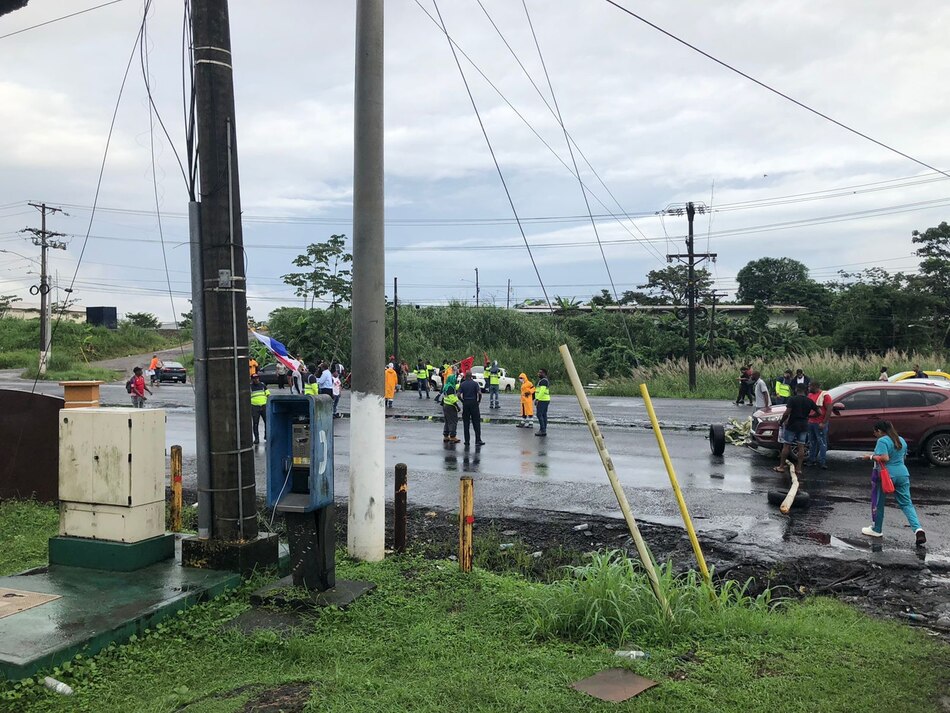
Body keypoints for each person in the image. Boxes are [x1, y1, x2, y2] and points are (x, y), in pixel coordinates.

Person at [861, 420, 926, 546]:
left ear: (879, 431)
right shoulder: (901, 440)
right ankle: (918, 529)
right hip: (903, 473)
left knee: (879, 502)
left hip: (886, 475)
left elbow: (885, 458)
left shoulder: (882, 441)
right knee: (907, 504)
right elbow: (902, 457)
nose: (875, 434)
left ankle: (877, 529)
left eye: (875, 432)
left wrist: (869, 457)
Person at [774, 384, 820, 475]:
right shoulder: (809, 401)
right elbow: (819, 412)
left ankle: (781, 466)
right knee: (801, 446)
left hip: (792, 425)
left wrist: (781, 421)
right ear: (805, 390)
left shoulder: (792, 399)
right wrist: (809, 416)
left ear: (796, 389)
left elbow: (787, 413)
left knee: (786, 445)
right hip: (803, 426)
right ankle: (799, 468)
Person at [806, 381, 832, 470]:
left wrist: (824, 422)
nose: (809, 388)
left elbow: (829, 409)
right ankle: (811, 459)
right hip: (811, 422)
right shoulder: (810, 395)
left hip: (819, 422)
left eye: (810, 387)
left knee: (822, 442)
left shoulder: (825, 396)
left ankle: (822, 461)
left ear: (814, 386)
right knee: (812, 442)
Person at [458, 370, 484, 446]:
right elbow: (479, 393)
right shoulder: (475, 384)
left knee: (466, 423)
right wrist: (478, 401)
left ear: (465, 377)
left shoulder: (462, 384)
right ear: (471, 376)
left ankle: (467, 441)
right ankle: (478, 440)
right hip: (474, 403)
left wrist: (463, 401)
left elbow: (458, 395)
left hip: (466, 403)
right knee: (476, 422)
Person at [250, 373, 270, 445]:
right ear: (252, 379)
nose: (256, 379)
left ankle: (266, 436)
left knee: (267, 422)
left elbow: (268, 394)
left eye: (257, 378)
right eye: (255, 378)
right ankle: (257, 438)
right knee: (255, 423)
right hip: (255, 406)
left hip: (264, 406)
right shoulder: (250, 387)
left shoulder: (262, 385)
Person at [441, 373, 460, 443]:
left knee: (447, 421)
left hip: (445, 405)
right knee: (453, 422)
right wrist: (457, 407)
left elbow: (457, 386)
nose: (455, 381)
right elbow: (452, 399)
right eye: (454, 380)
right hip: (450, 406)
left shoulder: (446, 386)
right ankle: (453, 436)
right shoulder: (450, 388)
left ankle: (446, 436)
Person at [534, 368, 551, 437]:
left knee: (539, 414)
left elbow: (542, 391)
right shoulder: (543, 380)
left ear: (544, 374)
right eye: (539, 372)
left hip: (542, 400)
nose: (539, 374)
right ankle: (543, 429)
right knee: (544, 415)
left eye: (540, 372)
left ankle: (542, 430)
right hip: (545, 399)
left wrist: (537, 399)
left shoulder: (543, 381)